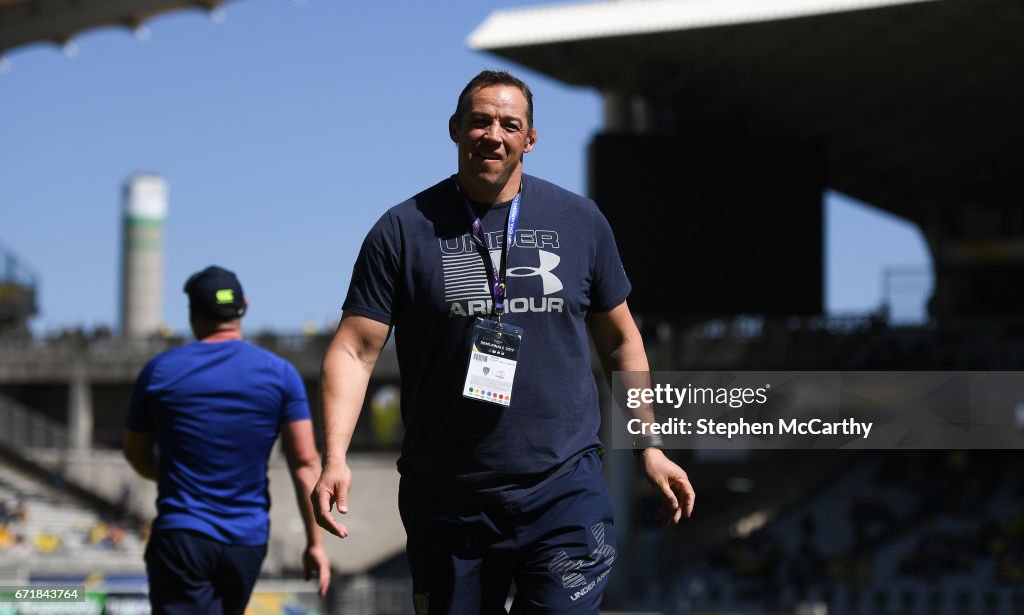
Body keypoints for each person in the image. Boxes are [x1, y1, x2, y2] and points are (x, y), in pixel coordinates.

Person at [312, 70, 695, 614]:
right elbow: (355, 349)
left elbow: (621, 342)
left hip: (563, 490)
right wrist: (334, 457)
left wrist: (649, 445)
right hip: (447, 497)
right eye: (480, 121)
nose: (494, 134)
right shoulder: (401, 230)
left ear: (530, 139)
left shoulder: (580, 221)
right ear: (455, 130)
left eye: (509, 124)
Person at [123, 265, 330, 614]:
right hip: (246, 543)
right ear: (244, 306)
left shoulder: (160, 371)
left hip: (182, 536)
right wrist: (316, 544)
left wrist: (171, 477)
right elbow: (307, 463)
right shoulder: (281, 375)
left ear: (192, 313)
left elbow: (135, 453)